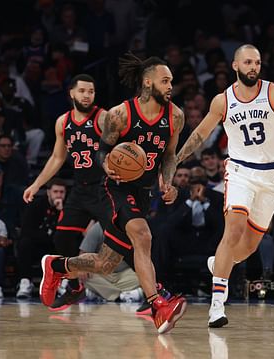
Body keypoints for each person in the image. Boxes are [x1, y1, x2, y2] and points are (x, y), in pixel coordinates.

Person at [39, 53, 187, 334]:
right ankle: (157, 304)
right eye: (165, 80)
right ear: (147, 82)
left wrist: (166, 182)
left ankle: (58, 265)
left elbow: (169, 156)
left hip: (144, 192)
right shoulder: (121, 113)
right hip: (116, 188)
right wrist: (107, 164)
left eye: (171, 81)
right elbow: (102, 150)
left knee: (106, 263)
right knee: (143, 236)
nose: (170, 86)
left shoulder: (175, 116)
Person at [176, 44, 274, 327]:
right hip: (240, 172)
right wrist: (176, 160)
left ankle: (219, 265)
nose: (254, 67)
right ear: (235, 65)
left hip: (272, 177)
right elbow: (201, 133)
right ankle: (217, 305)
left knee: (248, 247)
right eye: (248, 62)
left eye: (258, 62)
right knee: (234, 229)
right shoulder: (222, 101)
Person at [23, 74, 107, 310]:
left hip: (104, 188)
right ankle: (75, 286)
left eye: (91, 91)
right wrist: (37, 184)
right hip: (80, 189)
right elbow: (58, 157)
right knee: (61, 237)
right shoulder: (63, 122)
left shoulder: (104, 118)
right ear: (71, 93)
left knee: (122, 243)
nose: (87, 95)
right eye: (82, 91)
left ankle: (152, 293)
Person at [16, 178, 66, 298]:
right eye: (55, 191)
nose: (58, 195)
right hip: (37, 244)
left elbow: (67, 231)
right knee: (24, 243)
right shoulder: (36, 205)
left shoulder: (67, 208)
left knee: (66, 243)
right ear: (48, 192)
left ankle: (62, 283)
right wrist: (47, 236)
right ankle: (25, 282)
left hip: (55, 246)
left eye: (61, 192)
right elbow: (27, 230)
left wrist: (61, 212)